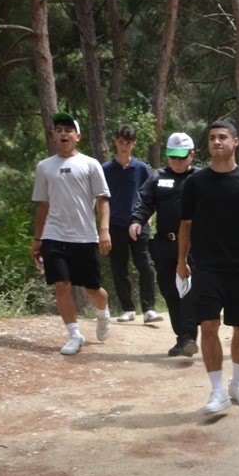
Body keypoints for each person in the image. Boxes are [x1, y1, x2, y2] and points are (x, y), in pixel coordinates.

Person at [176, 120, 239, 414]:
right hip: (206, 267)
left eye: (222, 137)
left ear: (235, 142)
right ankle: (217, 390)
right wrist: (181, 261)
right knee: (208, 325)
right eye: (211, 138)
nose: (216, 142)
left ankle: (237, 383)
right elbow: (185, 225)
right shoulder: (195, 183)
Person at [30, 112, 114, 355]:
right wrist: (37, 239)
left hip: (84, 236)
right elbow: (42, 205)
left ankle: (102, 313)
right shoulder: (44, 167)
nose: (63, 134)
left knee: (92, 289)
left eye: (68, 130)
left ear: (77, 136)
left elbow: (102, 200)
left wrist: (104, 230)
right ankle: (74, 335)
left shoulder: (90, 164)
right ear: (53, 136)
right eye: (59, 130)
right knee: (61, 285)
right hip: (54, 235)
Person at [130, 131, 200, 356]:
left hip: (193, 246)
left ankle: (189, 337)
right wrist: (137, 221)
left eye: (181, 157)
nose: (176, 161)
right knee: (170, 291)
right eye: (172, 157)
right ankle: (182, 338)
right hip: (164, 244)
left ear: (191, 155)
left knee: (188, 292)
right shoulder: (158, 177)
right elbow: (144, 201)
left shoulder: (201, 178)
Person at [102, 124, 159, 323]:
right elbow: (101, 199)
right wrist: (103, 228)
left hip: (138, 223)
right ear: (115, 142)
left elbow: (150, 195)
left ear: (134, 144)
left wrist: (147, 220)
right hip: (115, 224)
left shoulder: (142, 168)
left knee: (145, 265)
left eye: (128, 143)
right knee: (119, 268)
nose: (124, 146)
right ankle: (127, 308)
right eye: (121, 142)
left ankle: (149, 309)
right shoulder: (105, 169)